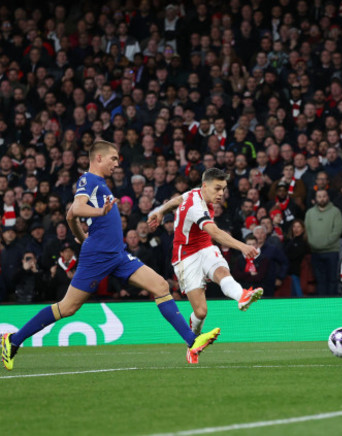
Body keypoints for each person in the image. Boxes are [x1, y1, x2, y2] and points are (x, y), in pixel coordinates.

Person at [2, 141, 221, 371]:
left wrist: (82, 236)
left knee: (159, 286)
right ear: (98, 158)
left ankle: (192, 341)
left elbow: (70, 217)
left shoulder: (98, 184)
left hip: (116, 254)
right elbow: (75, 210)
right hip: (98, 256)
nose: (117, 163)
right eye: (113, 159)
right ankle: (13, 340)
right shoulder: (89, 180)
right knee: (67, 308)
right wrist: (98, 215)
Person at [146, 168, 262, 349]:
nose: (221, 193)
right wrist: (243, 246)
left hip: (205, 248)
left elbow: (177, 200)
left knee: (222, 271)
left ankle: (242, 296)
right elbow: (214, 232)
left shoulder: (194, 193)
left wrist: (161, 211)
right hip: (185, 257)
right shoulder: (196, 207)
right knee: (201, 312)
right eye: (217, 189)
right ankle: (192, 342)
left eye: (223, 189)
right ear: (205, 186)